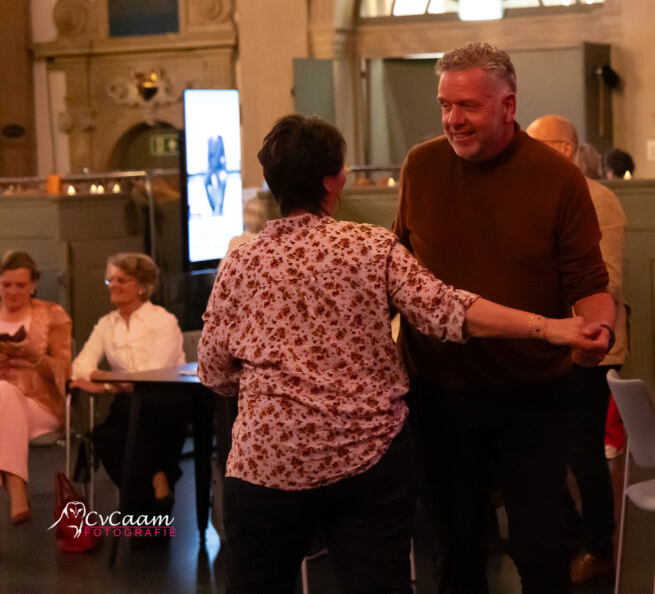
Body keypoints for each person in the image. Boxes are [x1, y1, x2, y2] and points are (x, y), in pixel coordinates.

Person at [198, 114, 605, 594]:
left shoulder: (241, 261)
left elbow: (213, 370)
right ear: (333, 181)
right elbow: (450, 311)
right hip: (365, 461)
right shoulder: (370, 247)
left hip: (268, 465)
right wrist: (548, 327)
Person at [394, 42, 615, 593]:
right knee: (457, 555)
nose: (452, 119)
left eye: (467, 106)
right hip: (438, 394)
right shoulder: (421, 166)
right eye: (445, 105)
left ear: (508, 105)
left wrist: (599, 331)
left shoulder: (557, 178)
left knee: (541, 552)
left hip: (531, 396)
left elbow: (589, 284)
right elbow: (399, 269)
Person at [526, 114, 628, 584]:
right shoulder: (538, 194)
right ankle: (568, 535)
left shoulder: (598, 198)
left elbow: (606, 280)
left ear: (563, 149)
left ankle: (598, 547)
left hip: (588, 342)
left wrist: (578, 328)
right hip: (546, 340)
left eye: (534, 143)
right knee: (543, 446)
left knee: (583, 451)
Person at [70, 252, 186, 515]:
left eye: (122, 280)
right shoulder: (107, 324)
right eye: (110, 280)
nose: (114, 285)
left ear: (142, 286)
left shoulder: (163, 320)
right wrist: (114, 384)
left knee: (121, 422)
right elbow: (80, 367)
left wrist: (106, 382)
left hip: (165, 402)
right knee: (106, 435)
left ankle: (136, 510)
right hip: (129, 404)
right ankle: (158, 478)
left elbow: (151, 375)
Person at [0, 251, 72, 524]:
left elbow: (64, 371)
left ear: (33, 285)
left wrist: (32, 355)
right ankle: (17, 491)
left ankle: (17, 490)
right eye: (6, 285)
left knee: (5, 392)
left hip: (41, 403)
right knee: (4, 393)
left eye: (20, 285)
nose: (12, 291)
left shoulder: (52, 314)